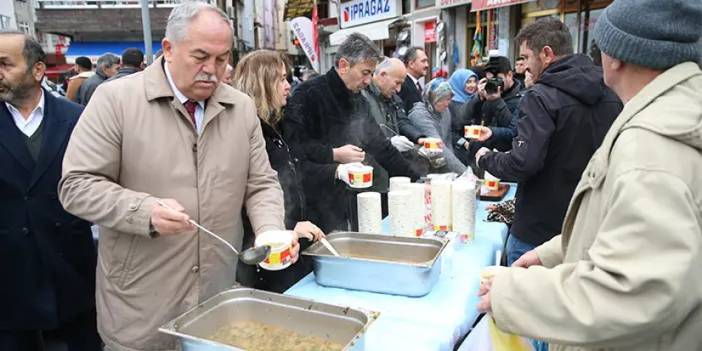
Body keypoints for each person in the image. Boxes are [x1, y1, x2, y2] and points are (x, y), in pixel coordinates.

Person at [58, 3, 296, 350]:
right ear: (168, 49)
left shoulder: (240, 107)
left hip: (218, 298)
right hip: (141, 304)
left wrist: (269, 229)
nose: (212, 70)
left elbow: (260, 182)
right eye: (200, 57)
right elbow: (76, 185)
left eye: (221, 59)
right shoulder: (115, 100)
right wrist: (143, 211)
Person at [478, 1, 702, 350]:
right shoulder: (644, 112)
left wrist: (513, 295)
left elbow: (635, 292)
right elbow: (619, 217)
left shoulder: (651, 145)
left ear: (619, 56)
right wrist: (556, 251)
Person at [475, 18, 622, 265]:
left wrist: (486, 158)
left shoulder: (539, 96)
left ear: (546, 54)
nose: (523, 68)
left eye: (526, 57)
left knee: (521, 301)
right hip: (588, 229)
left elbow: (523, 163)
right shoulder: (610, 91)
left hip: (537, 233)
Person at [0, 31, 100, 351]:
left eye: (5, 64)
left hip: (70, 259)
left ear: (38, 70)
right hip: (10, 266)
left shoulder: (77, 119)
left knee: (82, 340)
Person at [283, 33, 420, 233]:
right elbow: (296, 151)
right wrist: (334, 155)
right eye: (365, 72)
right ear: (344, 65)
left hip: (347, 201)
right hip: (312, 205)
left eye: (371, 73)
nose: (368, 81)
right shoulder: (308, 95)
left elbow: (382, 147)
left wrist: (416, 181)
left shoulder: (358, 100)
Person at [231, 50, 325, 293]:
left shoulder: (278, 124)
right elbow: (243, 200)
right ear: (262, 84)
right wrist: (288, 227)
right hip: (262, 260)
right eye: (281, 79)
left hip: (287, 247)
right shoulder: (245, 131)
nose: (288, 86)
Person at [361, 57, 428, 192]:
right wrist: (389, 142)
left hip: (390, 171)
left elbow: (401, 121)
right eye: (397, 83)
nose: (398, 89)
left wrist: (418, 138)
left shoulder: (392, 98)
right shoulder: (362, 98)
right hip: (370, 175)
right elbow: (360, 138)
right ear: (383, 75)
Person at [454, 56, 523, 163]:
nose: (494, 84)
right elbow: (461, 119)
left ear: (509, 75)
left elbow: (512, 132)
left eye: (498, 79)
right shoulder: (484, 94)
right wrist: (478, 98)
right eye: (490, 80)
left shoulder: (521, 98)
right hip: (476, 157)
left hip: (501, 160)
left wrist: (497, 101)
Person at [407, 78, 466, 174]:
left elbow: (447, 141)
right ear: (431, 99)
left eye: (448, 99)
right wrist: (463, 173)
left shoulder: (445, 111)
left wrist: (452, 172)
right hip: (422, 167)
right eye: (441, 100)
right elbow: (439, 147)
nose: (446, 104)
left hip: (441, 164)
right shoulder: (419, 115)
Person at [398, 46, 429, 112]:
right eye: (423, 61)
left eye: (427, 61)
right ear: (411, 64)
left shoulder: (414, 83)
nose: (427, 65)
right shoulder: (403, 85)